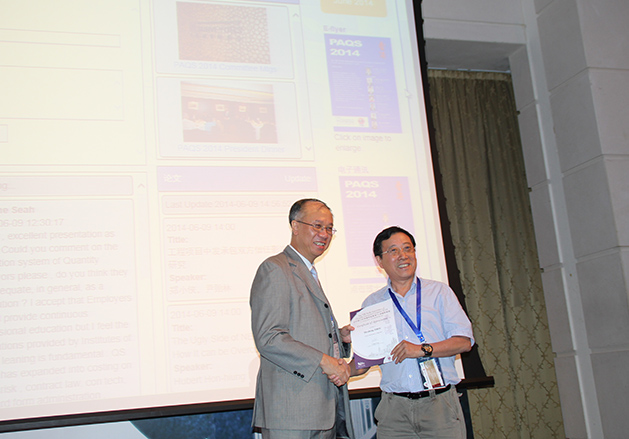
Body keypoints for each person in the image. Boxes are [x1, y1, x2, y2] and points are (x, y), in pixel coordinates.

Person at [351, 226, 474, 439]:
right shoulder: (372, 303)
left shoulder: (439, 292)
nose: (403, 255)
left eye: (408, 248)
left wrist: (422, 349)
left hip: (439, 405)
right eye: (393, 250)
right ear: (379, 261)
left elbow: (464, 342)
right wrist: (341, 368)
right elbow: (366, 360)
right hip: (394, 411)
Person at [250, 198, 355, 439]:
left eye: (329, 228)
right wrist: (324, 361)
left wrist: (340, 338)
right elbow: (269, 338)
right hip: (291, 413)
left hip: (322, 410)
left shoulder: (309, 271)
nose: (324, 234)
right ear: (295, 226)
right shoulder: (275, 268)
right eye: (317, 226)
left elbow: (305, 330)